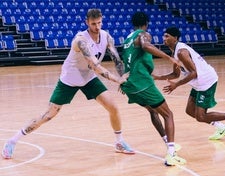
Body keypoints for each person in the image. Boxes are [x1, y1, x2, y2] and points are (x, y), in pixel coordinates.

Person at [2, 9, 135, 159]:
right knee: (48, 115)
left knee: (113, 107)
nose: (97, 27)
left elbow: (117, 59)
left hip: (88, 78)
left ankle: (119, 142)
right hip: (70, 79)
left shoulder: (106, 36)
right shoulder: (80, 40)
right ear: (87, 22)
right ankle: (12, 141)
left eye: (99, 23)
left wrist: (123, 76)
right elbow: (95, 65)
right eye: (93, 24)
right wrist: (117, 80)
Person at [152, 26, 225, 141]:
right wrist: (158, 77)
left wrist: (176, 85)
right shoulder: (174, 53)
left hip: (206, 81)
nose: (164, 38)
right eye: (164, 36)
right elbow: (176, 74)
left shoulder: (182, 52)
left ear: (175, 38)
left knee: (201, 116)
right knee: (190, 111)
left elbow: (194, 73)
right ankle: (222, 128)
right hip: (198, 83)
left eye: (167, 36)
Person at [120, 12, 186, 166]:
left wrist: (123, 80)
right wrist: (169, 58)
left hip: (130, 84)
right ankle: (171, 154)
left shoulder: (127, 40)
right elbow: (145, 45)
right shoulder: (143, 34)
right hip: (142, 83)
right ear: (147, 23)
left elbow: (126, 61)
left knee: (153, 111)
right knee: (168, 115)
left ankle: (168, 142)